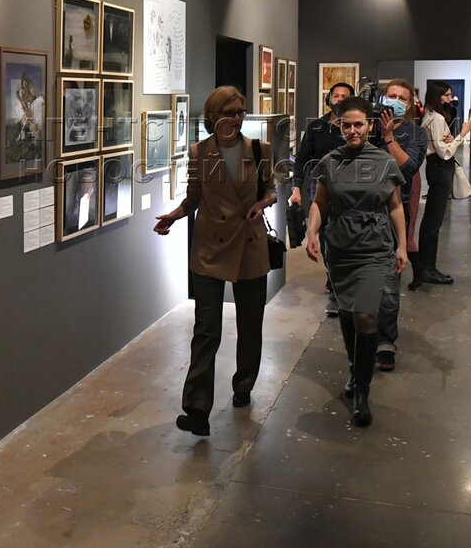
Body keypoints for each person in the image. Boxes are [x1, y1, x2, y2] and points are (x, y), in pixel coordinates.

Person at [155, 85, 276, 437]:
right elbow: (194, 197)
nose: (235, 119)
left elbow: (271, 190)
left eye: (240, 112)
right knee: (206, 329)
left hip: (250, 245)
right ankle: (197, 409)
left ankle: (244, 384)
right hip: (209, 248)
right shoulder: (199, 152)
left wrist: (262, 204)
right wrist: (174, 216)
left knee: (250, 324)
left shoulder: (260, 149)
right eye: (228, 113)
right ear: (212, 117)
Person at [306, 97, 407, 427]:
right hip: (340, 246)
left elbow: (395, 206)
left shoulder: (383, 161)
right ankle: (354, 370)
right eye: (347, 125)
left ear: (370, 126)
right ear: (338, 126)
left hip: (374, 247)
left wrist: (402, 245)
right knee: (348, 313)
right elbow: (319, 203)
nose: (353, 130)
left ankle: (362, 390)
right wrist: (311, 232)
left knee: (365, 316)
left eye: (359, 125)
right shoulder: (330, 161)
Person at [368, 79, 426, 372]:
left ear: (410, 103)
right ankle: (363, 336)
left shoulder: (416, 133)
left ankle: (386, 341)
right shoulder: (368, 126)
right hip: (362, 207)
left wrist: (390, 137)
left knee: (390, 281)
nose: (395, 101)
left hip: (394, 209)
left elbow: (408, 167)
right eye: (391, 95)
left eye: (402, 98)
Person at [290, 82, 352, 316]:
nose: (340, 99)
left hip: (349, 188)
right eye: (336, 95)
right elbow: (302, 158)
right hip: (320, 187)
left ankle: (340, 282)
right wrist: (296, 188)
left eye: (345, 96)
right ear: (329, 99)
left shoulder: (355, 128)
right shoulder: (316, 127)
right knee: (325, 236)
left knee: (344, 236)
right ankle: (335, 284)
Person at [416, 81, 471, 288]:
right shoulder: (437, 118)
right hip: (440, 168)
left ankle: (426, 267)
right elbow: (444, 152)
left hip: (436, 168)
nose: (450, 98)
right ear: (438, 96)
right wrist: (463, 134)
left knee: (432, 222)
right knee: (433, 223)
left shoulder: (430, 116)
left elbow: (439, 144)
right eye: (447, 95)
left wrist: (449, 139)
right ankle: (427, 269)